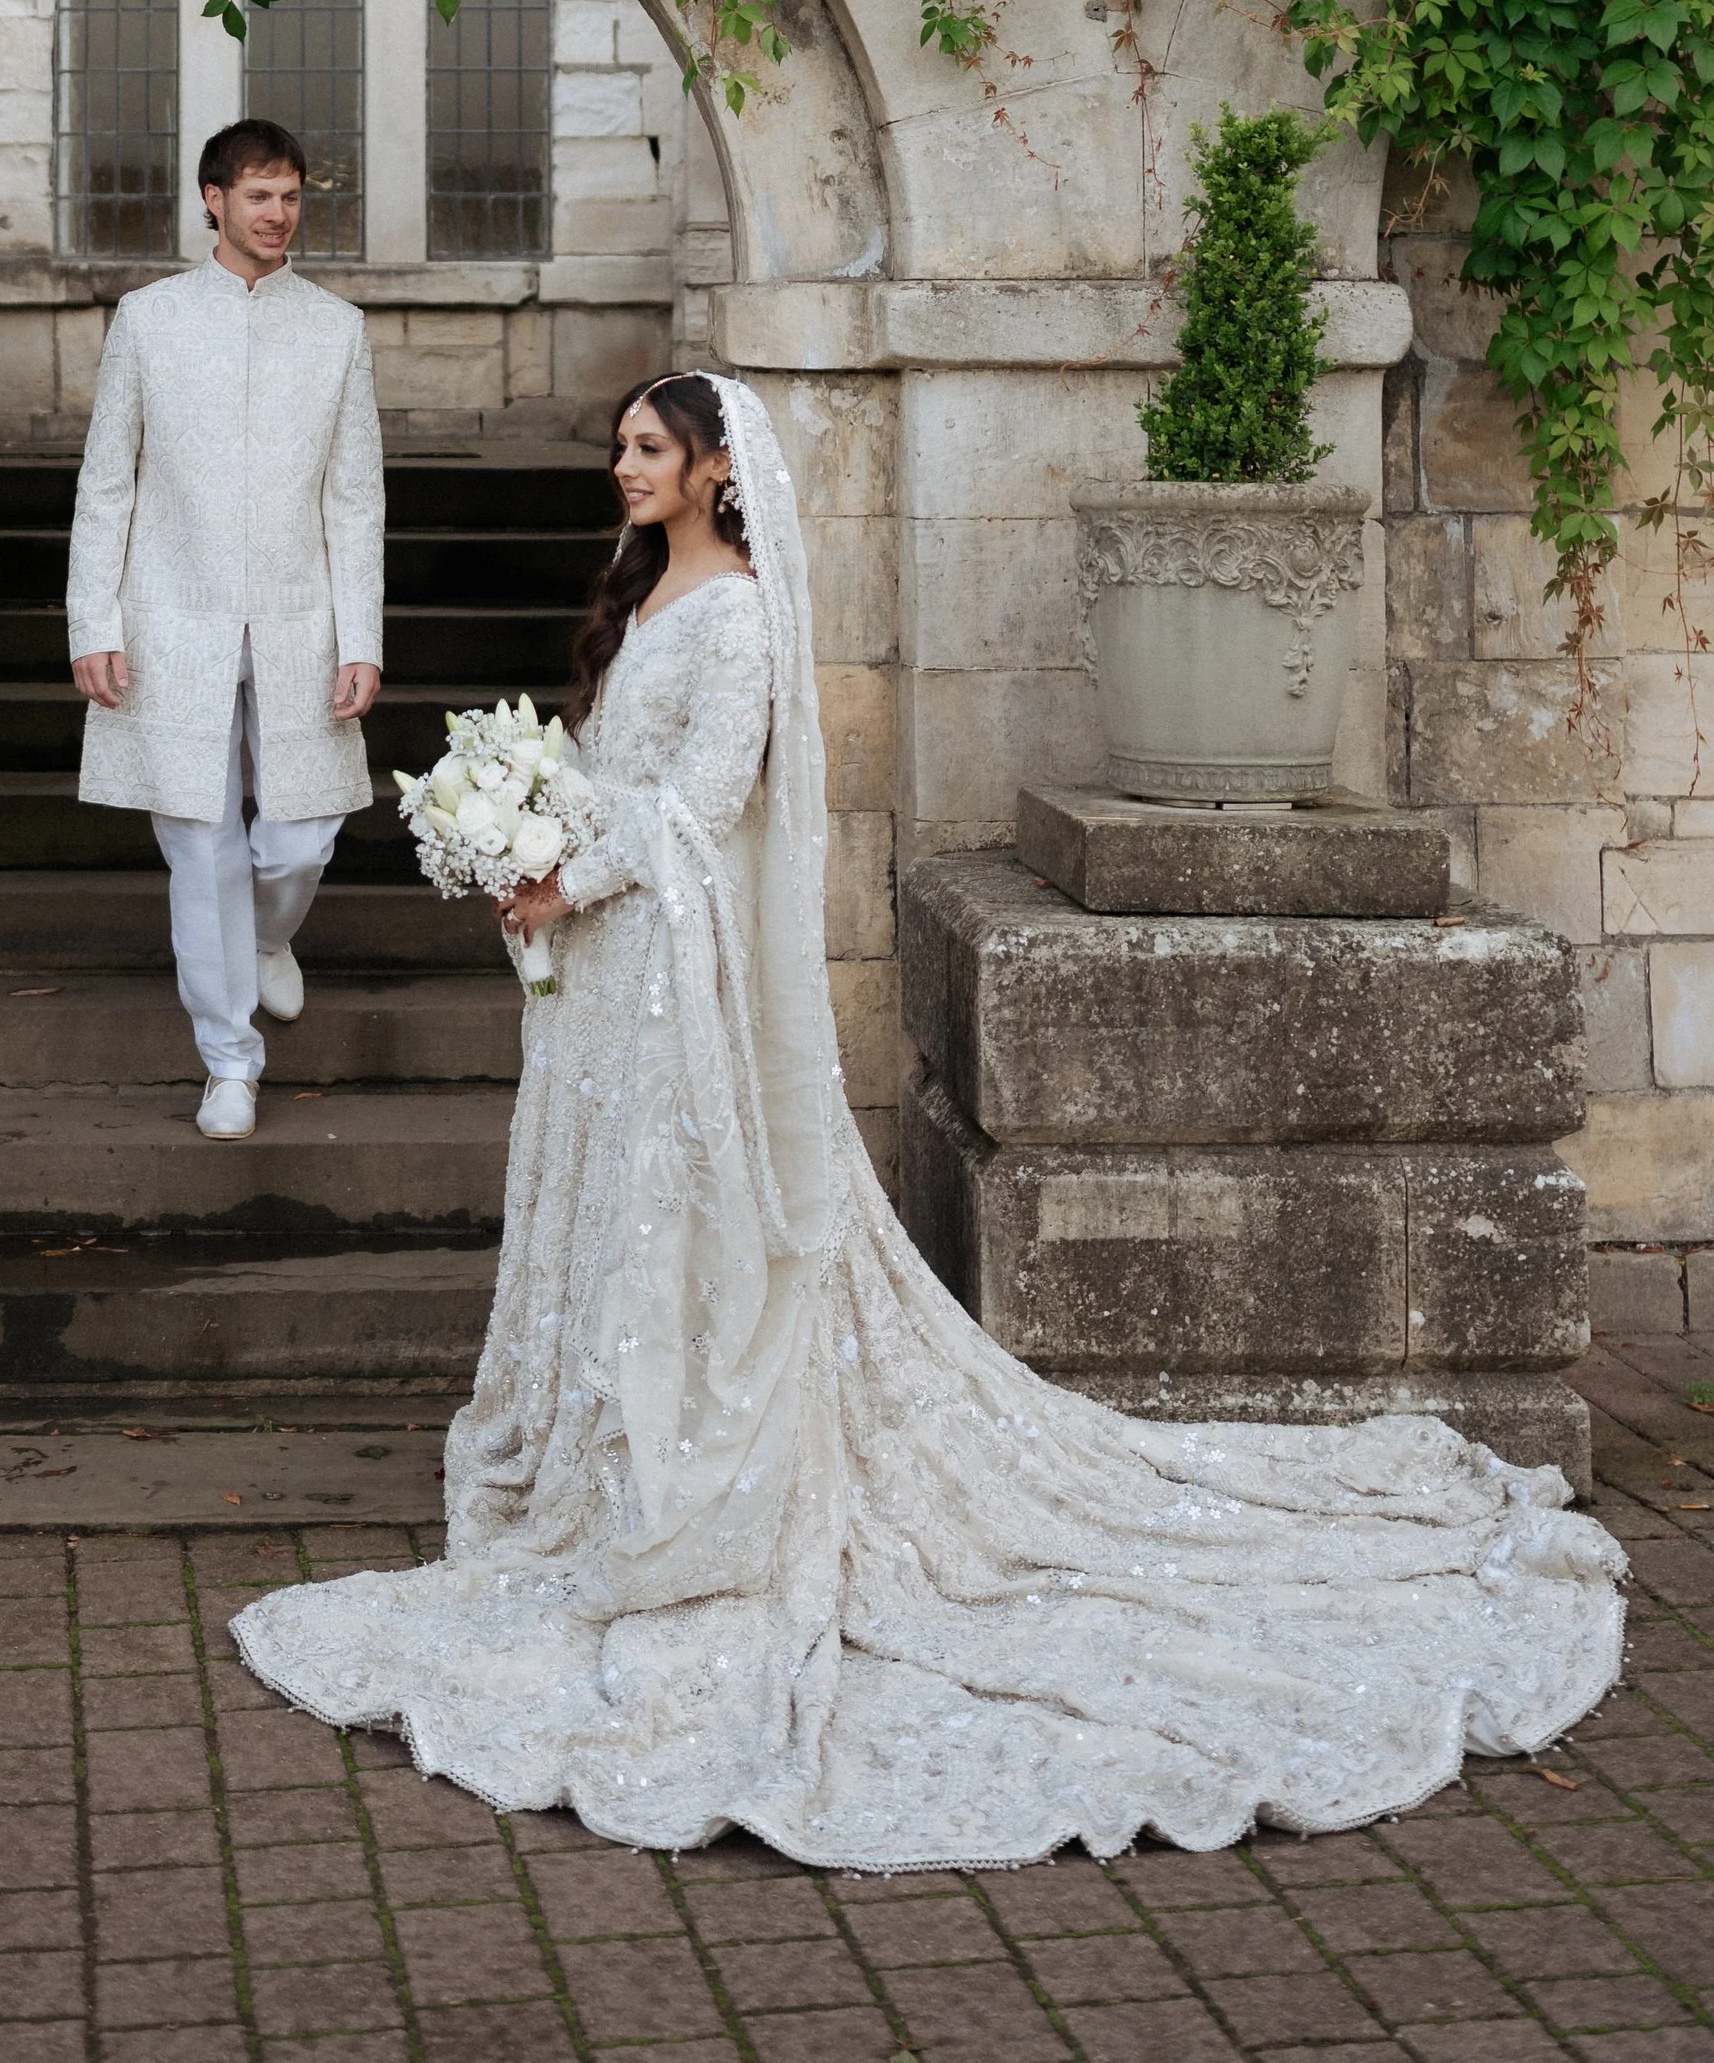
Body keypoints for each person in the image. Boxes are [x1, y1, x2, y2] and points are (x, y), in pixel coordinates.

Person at [234, 370, 1625, 1869]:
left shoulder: (746, 610)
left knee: (694, 1220)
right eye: (622, 447)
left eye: (649, 448)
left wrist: (562, 867)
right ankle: (597, 1451)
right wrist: (519, 816)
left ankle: (699, 1474)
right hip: (612, 971)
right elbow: (629, 779)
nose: (623, 467)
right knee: (617, 1213)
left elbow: (707, 803)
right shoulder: (645, 594)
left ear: (716, 467)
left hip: (657, 965)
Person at [66, 118, 383, 1140]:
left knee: (301, 838)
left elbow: (355, 501)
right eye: (258, 195)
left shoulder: (336, 328)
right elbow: (107, 482)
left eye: (290, 195)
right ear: (213, 199)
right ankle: (229, 1063)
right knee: (198, 848)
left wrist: (360, 638)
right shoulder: (149, 320)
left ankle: (267, 939)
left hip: (302, 618)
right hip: (170, 617)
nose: (278, 214)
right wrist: (92, 620)